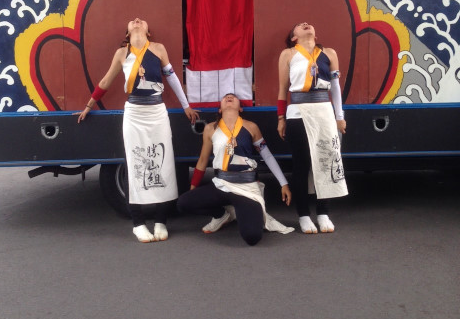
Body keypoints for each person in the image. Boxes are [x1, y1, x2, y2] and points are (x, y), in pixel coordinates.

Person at [78, 18, 198, 243]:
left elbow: (172, 78)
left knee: (162, 163)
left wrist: (186, 106)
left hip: (157, 112)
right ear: (127, 33)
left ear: (148, 31)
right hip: (134, 114)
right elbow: (106, 80)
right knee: (136, 165)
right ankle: (138, 223)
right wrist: (88, 106)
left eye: (141, 20)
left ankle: (161, 220)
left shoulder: (158, 49)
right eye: (133, 21)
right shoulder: (121, 53)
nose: (136, 20)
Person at [177, 93, 294, 246]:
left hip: (246, 188)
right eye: (225, 97)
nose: (229, 98)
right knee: (183, 203)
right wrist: (193, 188)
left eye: (233, 97)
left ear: (240, 108)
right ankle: (221, 215)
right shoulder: (210, 128)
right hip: (221, 185)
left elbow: (267, 156)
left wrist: (284, 184)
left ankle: (245, 211)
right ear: (220, 109)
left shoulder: (251, 127)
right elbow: (203, 160)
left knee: (252, 237)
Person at [277, 22, 348, 234]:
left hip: (324, 111)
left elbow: (335, 87)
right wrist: (281, 118)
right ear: (294, 37)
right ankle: (303, 215)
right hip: (298, 112)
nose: (306, 24)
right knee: (301, 164)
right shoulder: (288, 54)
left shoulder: (329, 53)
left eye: (308, 24)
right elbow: (282, 89)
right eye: (300, 26)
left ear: (315, 35)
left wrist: (339, 117)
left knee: (326, 161)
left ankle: (323, 213)